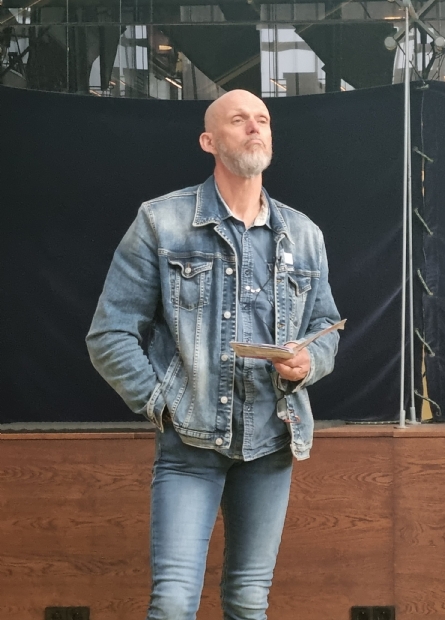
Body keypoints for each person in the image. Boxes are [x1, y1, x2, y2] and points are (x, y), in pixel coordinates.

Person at [86, 89, 341, 620]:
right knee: (174, 603)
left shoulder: (305, 235)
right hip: (190, 446)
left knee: (249, 603)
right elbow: (108, 335)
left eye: (263, 120)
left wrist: (309, 363)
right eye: (239, 119)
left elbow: (325, 327)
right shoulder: (161, 223)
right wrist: (165, 403)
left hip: (272, 442)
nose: (255, 127)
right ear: (209, 140)